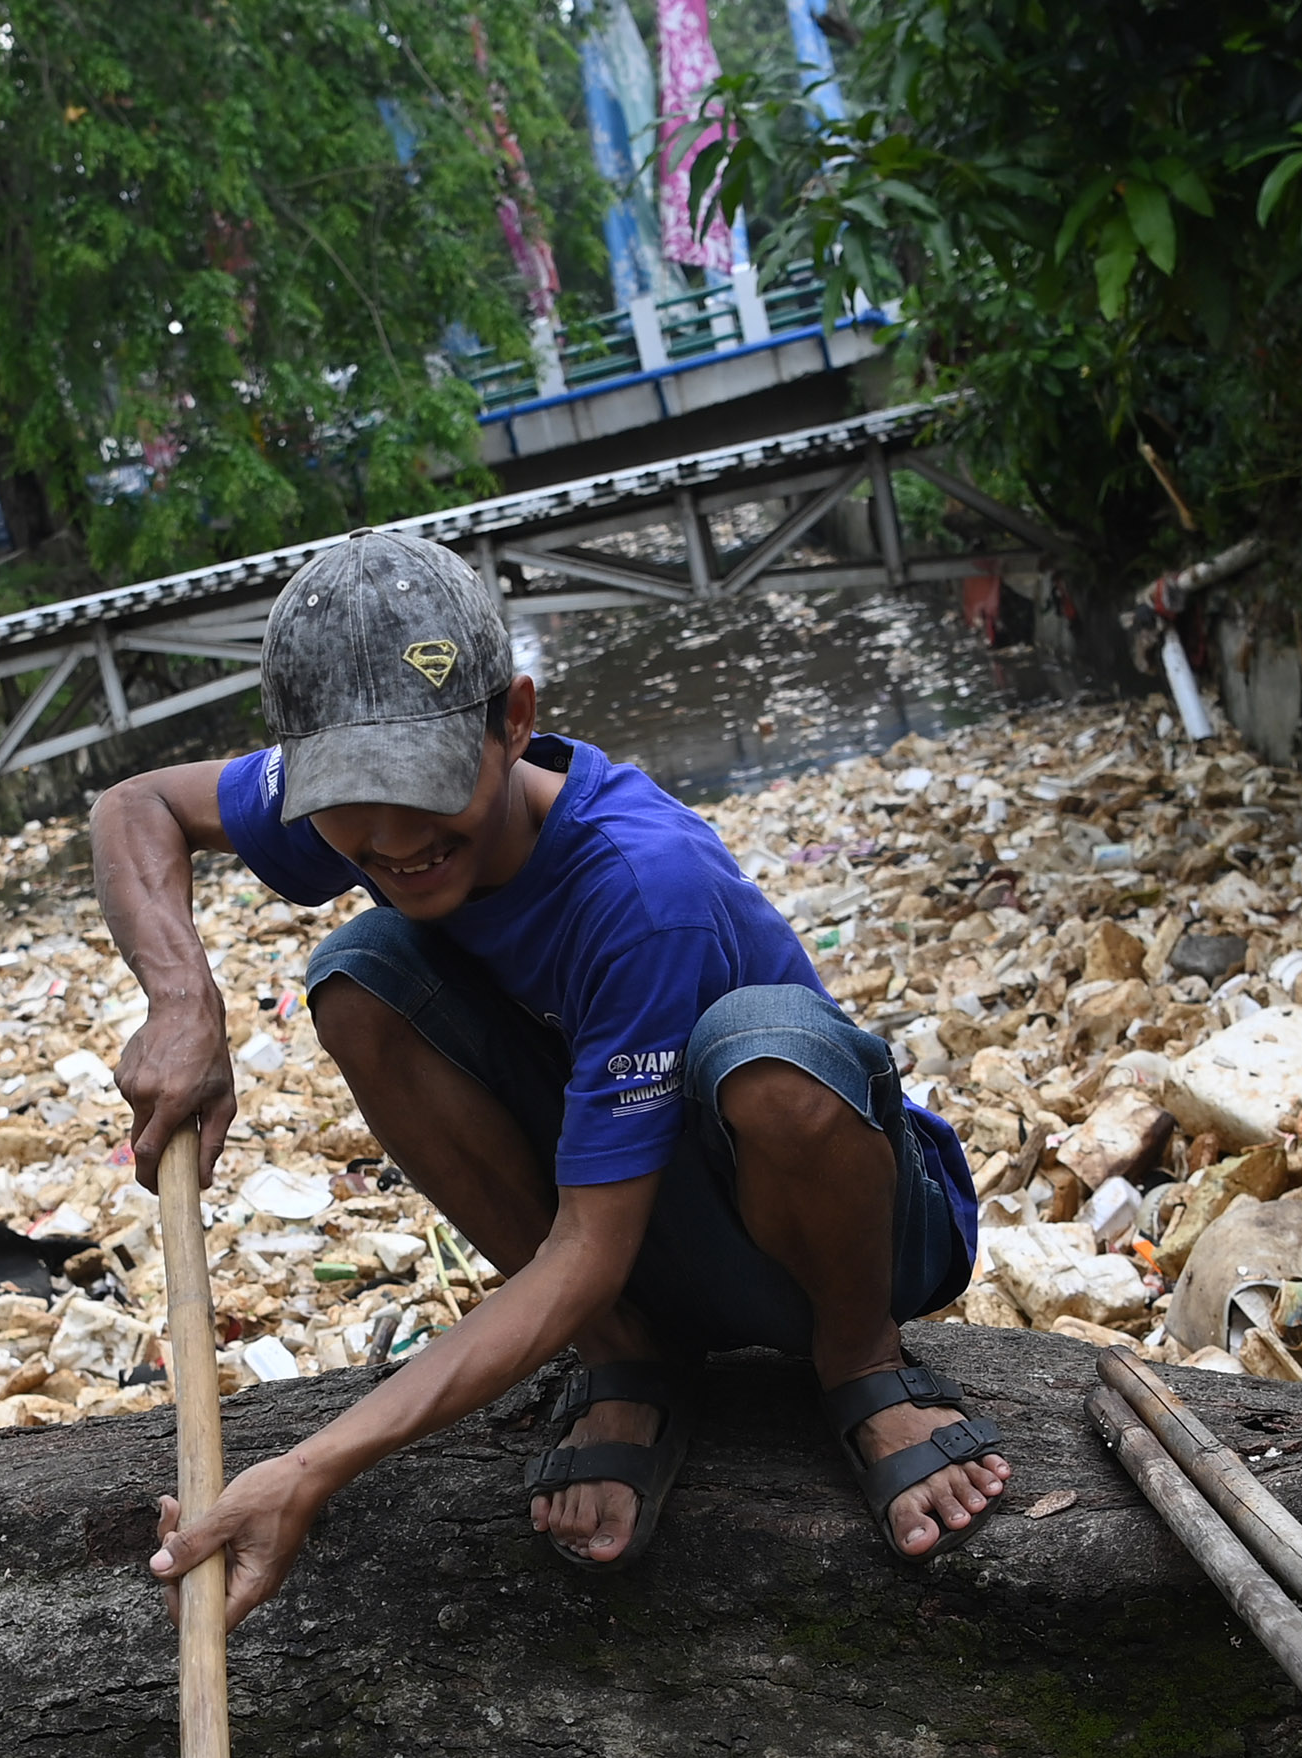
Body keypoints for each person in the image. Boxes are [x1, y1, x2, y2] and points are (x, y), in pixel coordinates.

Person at [99, 531, 1005, 1626]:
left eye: (421, 790)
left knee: (769, 1055)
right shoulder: (355, 814)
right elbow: (135, 806)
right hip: (641, 1224)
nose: (390, 841)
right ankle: (630, 1359)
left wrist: (311, 1467)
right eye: (350, 803)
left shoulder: (638, 885)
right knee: (357, 976)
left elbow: (586, 1245)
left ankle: (861, 1367)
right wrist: (183, 999)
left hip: (836, 1231)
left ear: (514, 719)